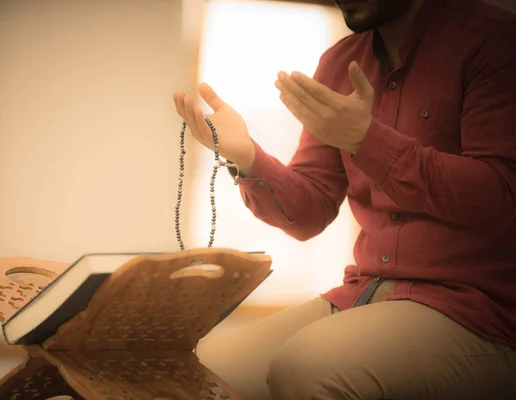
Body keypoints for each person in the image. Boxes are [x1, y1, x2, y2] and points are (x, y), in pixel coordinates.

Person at [172, 0, 516, 398]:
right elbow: (310, 211)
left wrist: (368, 140)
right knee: (206, 369)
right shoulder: (339, 63)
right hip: (367, 291)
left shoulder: (493, 40)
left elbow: (497, 197)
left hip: (480, 312)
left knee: (308, 368)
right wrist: (247, 156)